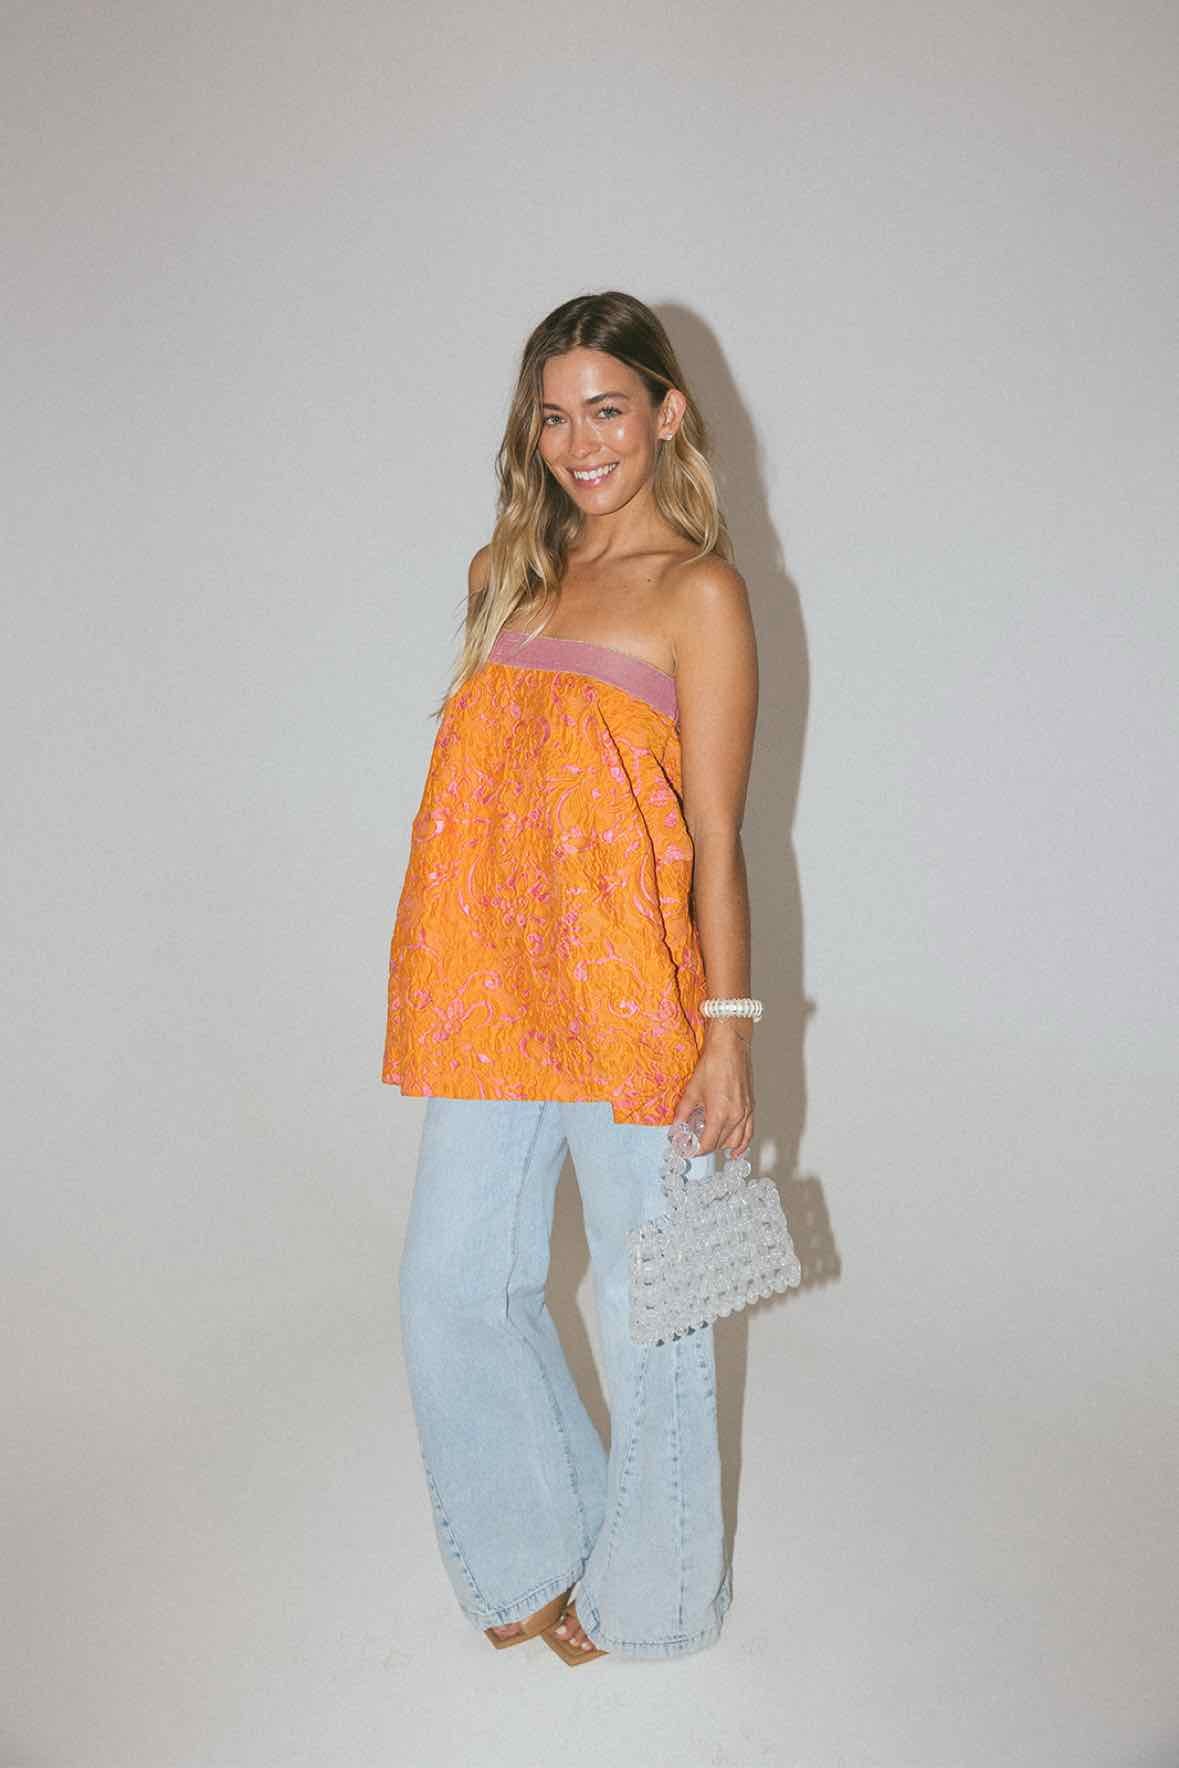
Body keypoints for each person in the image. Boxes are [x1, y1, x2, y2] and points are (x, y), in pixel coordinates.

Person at [382, 289, 761, 1664]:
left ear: (666, 413)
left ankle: (654, 1603)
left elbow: (718, 833)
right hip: (491, 990)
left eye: (608, 409)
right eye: (554, 417)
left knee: (657, 1314)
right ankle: (537, 1545)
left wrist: (729, 1032)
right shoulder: (504, 575)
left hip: (634, 1001)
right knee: (451, 1285)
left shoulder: (698, 595)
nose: (581, 442)